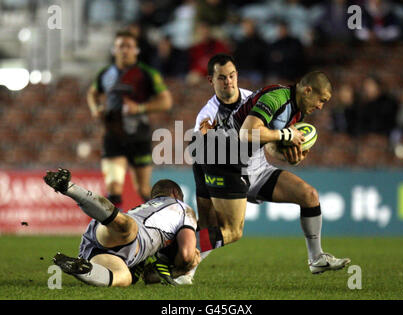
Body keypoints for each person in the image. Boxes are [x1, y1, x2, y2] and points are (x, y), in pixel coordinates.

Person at [180, 64, 350, 284]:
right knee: (228, 230)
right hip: (223, 157)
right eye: (321, 100)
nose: (320, 106)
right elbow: (248, 131)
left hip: (252, 165)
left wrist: (288, 155)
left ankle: (316, 257)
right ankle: (175, 259)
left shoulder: (296, 112)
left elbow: (270, 144)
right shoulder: (277, 98)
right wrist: (285, 134)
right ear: (307, 90)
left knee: (309, 196)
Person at [44, 168, 199, 287]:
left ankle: (83, 268)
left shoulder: (146, 207)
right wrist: (184, 266)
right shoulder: (183, 208)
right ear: (176, 194)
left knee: (125, 277)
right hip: (126, 238)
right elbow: (186, 255)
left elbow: (148, 277)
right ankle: (68, 187)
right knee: (128, 230)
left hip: (105, 239)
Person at [86, 30, 173, 210]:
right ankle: (115, 233)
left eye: (129, 46)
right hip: (113, 134)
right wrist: (96, 108)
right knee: (113, 188)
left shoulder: (147, 74)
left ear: (136, 50)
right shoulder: (105, 73)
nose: (124, 50)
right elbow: (92, 93)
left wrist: (140, 108)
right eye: (120, 46)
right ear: (113, 50)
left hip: (139, 135)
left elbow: (166, 101)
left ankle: (162, 223)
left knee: (142, 189)